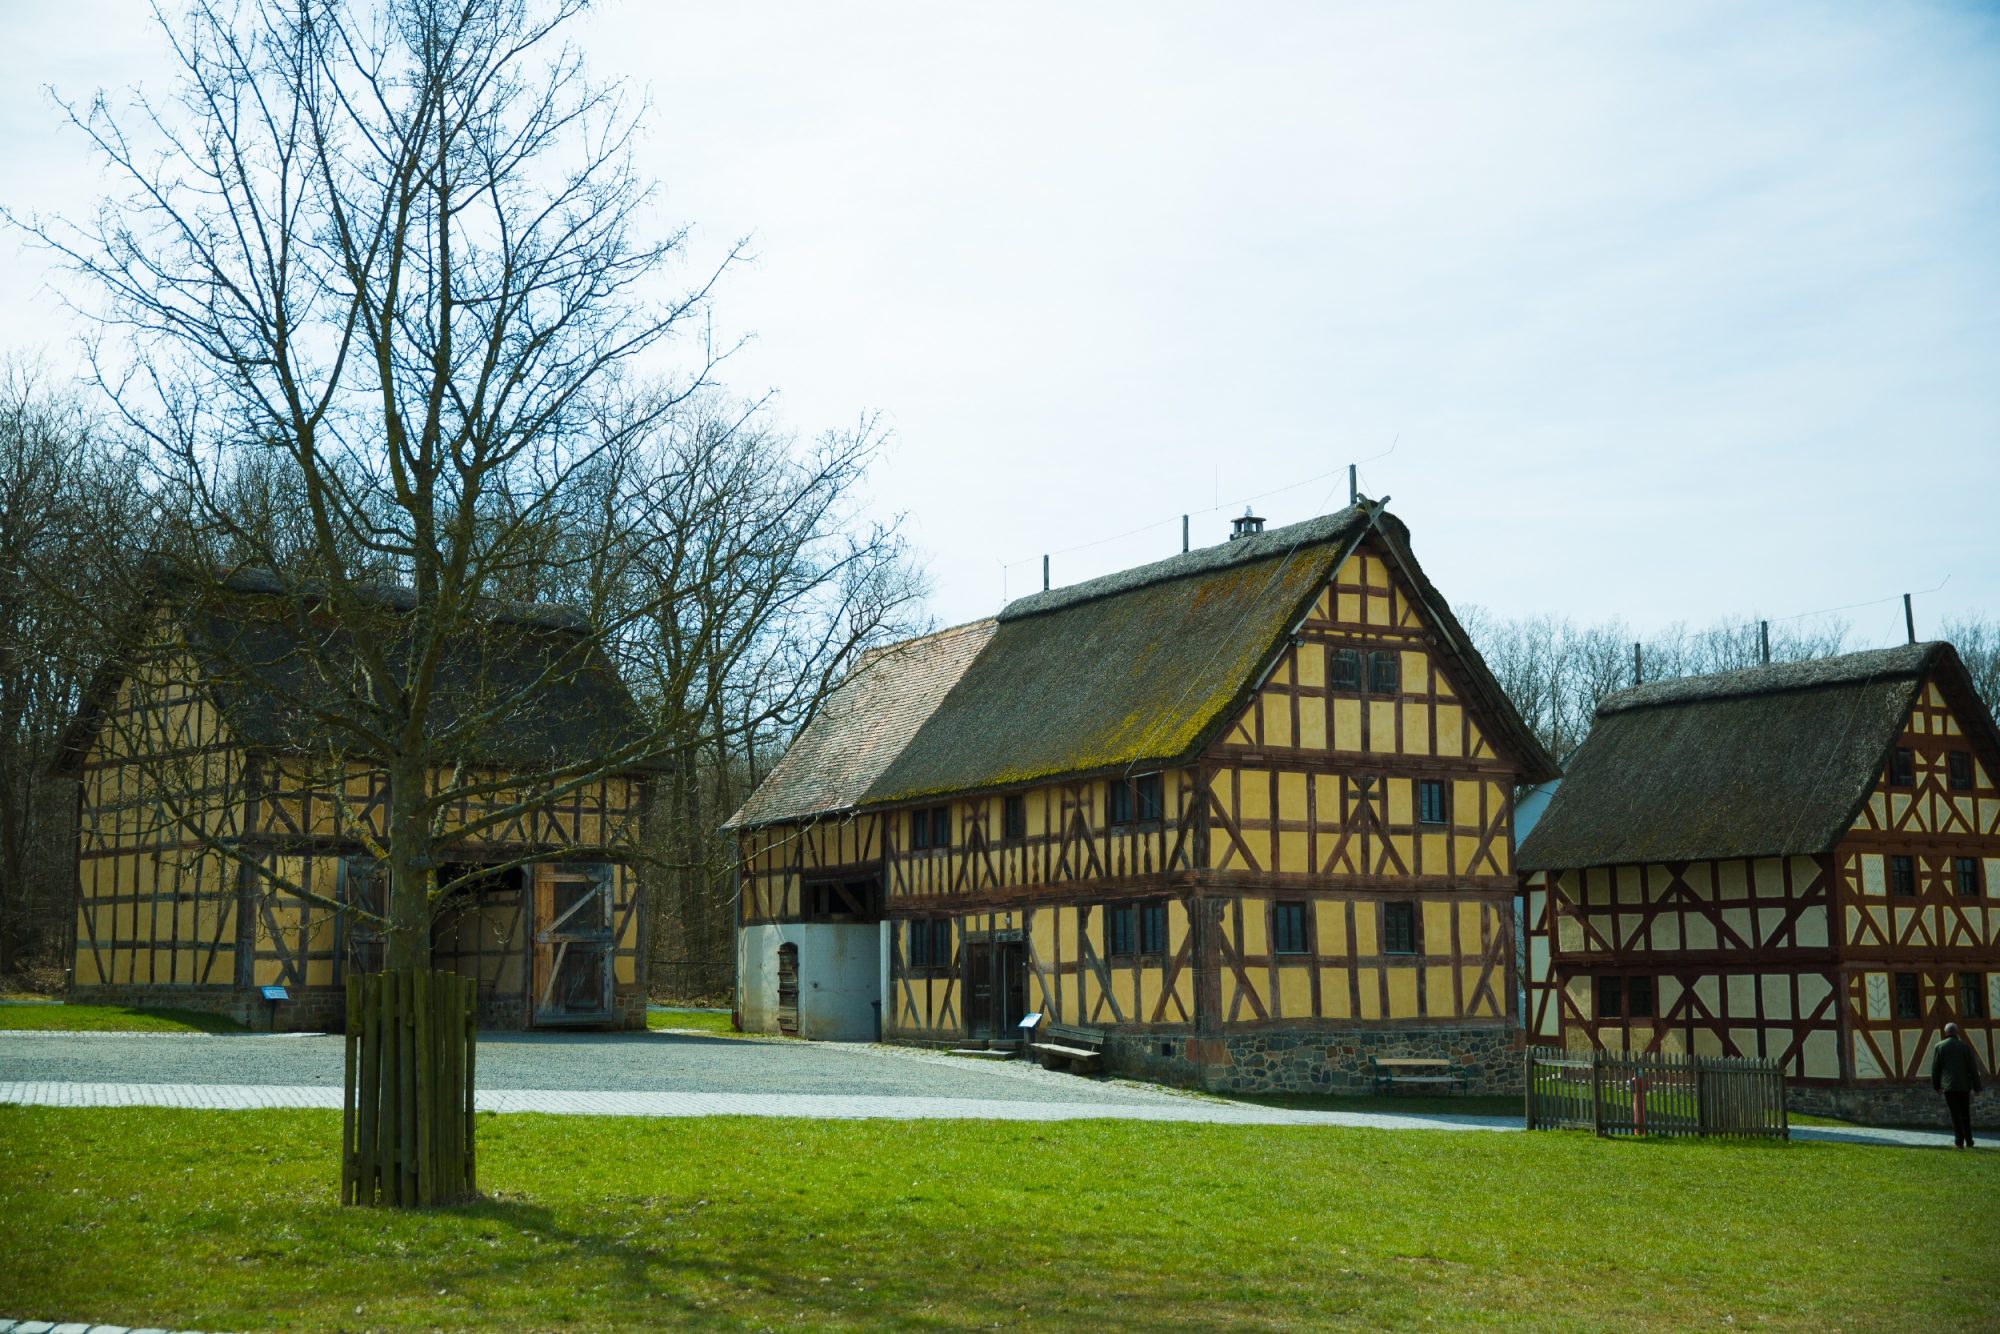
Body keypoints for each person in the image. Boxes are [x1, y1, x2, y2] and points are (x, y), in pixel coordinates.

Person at [1930, 1022, 1984, 1148]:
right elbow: (1972, 1068)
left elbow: (1936, 1068)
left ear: (1946, 1033)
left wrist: (1936, 1085)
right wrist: (1977, 1087)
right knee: (1965, 1114)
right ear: (1957, 1032)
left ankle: (1959, 1141)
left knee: (1955, 1115)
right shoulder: (1965, 1047)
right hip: (1964, 1086)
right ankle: (1969, 1140)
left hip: (1949, 1087)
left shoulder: (1939, 1046)